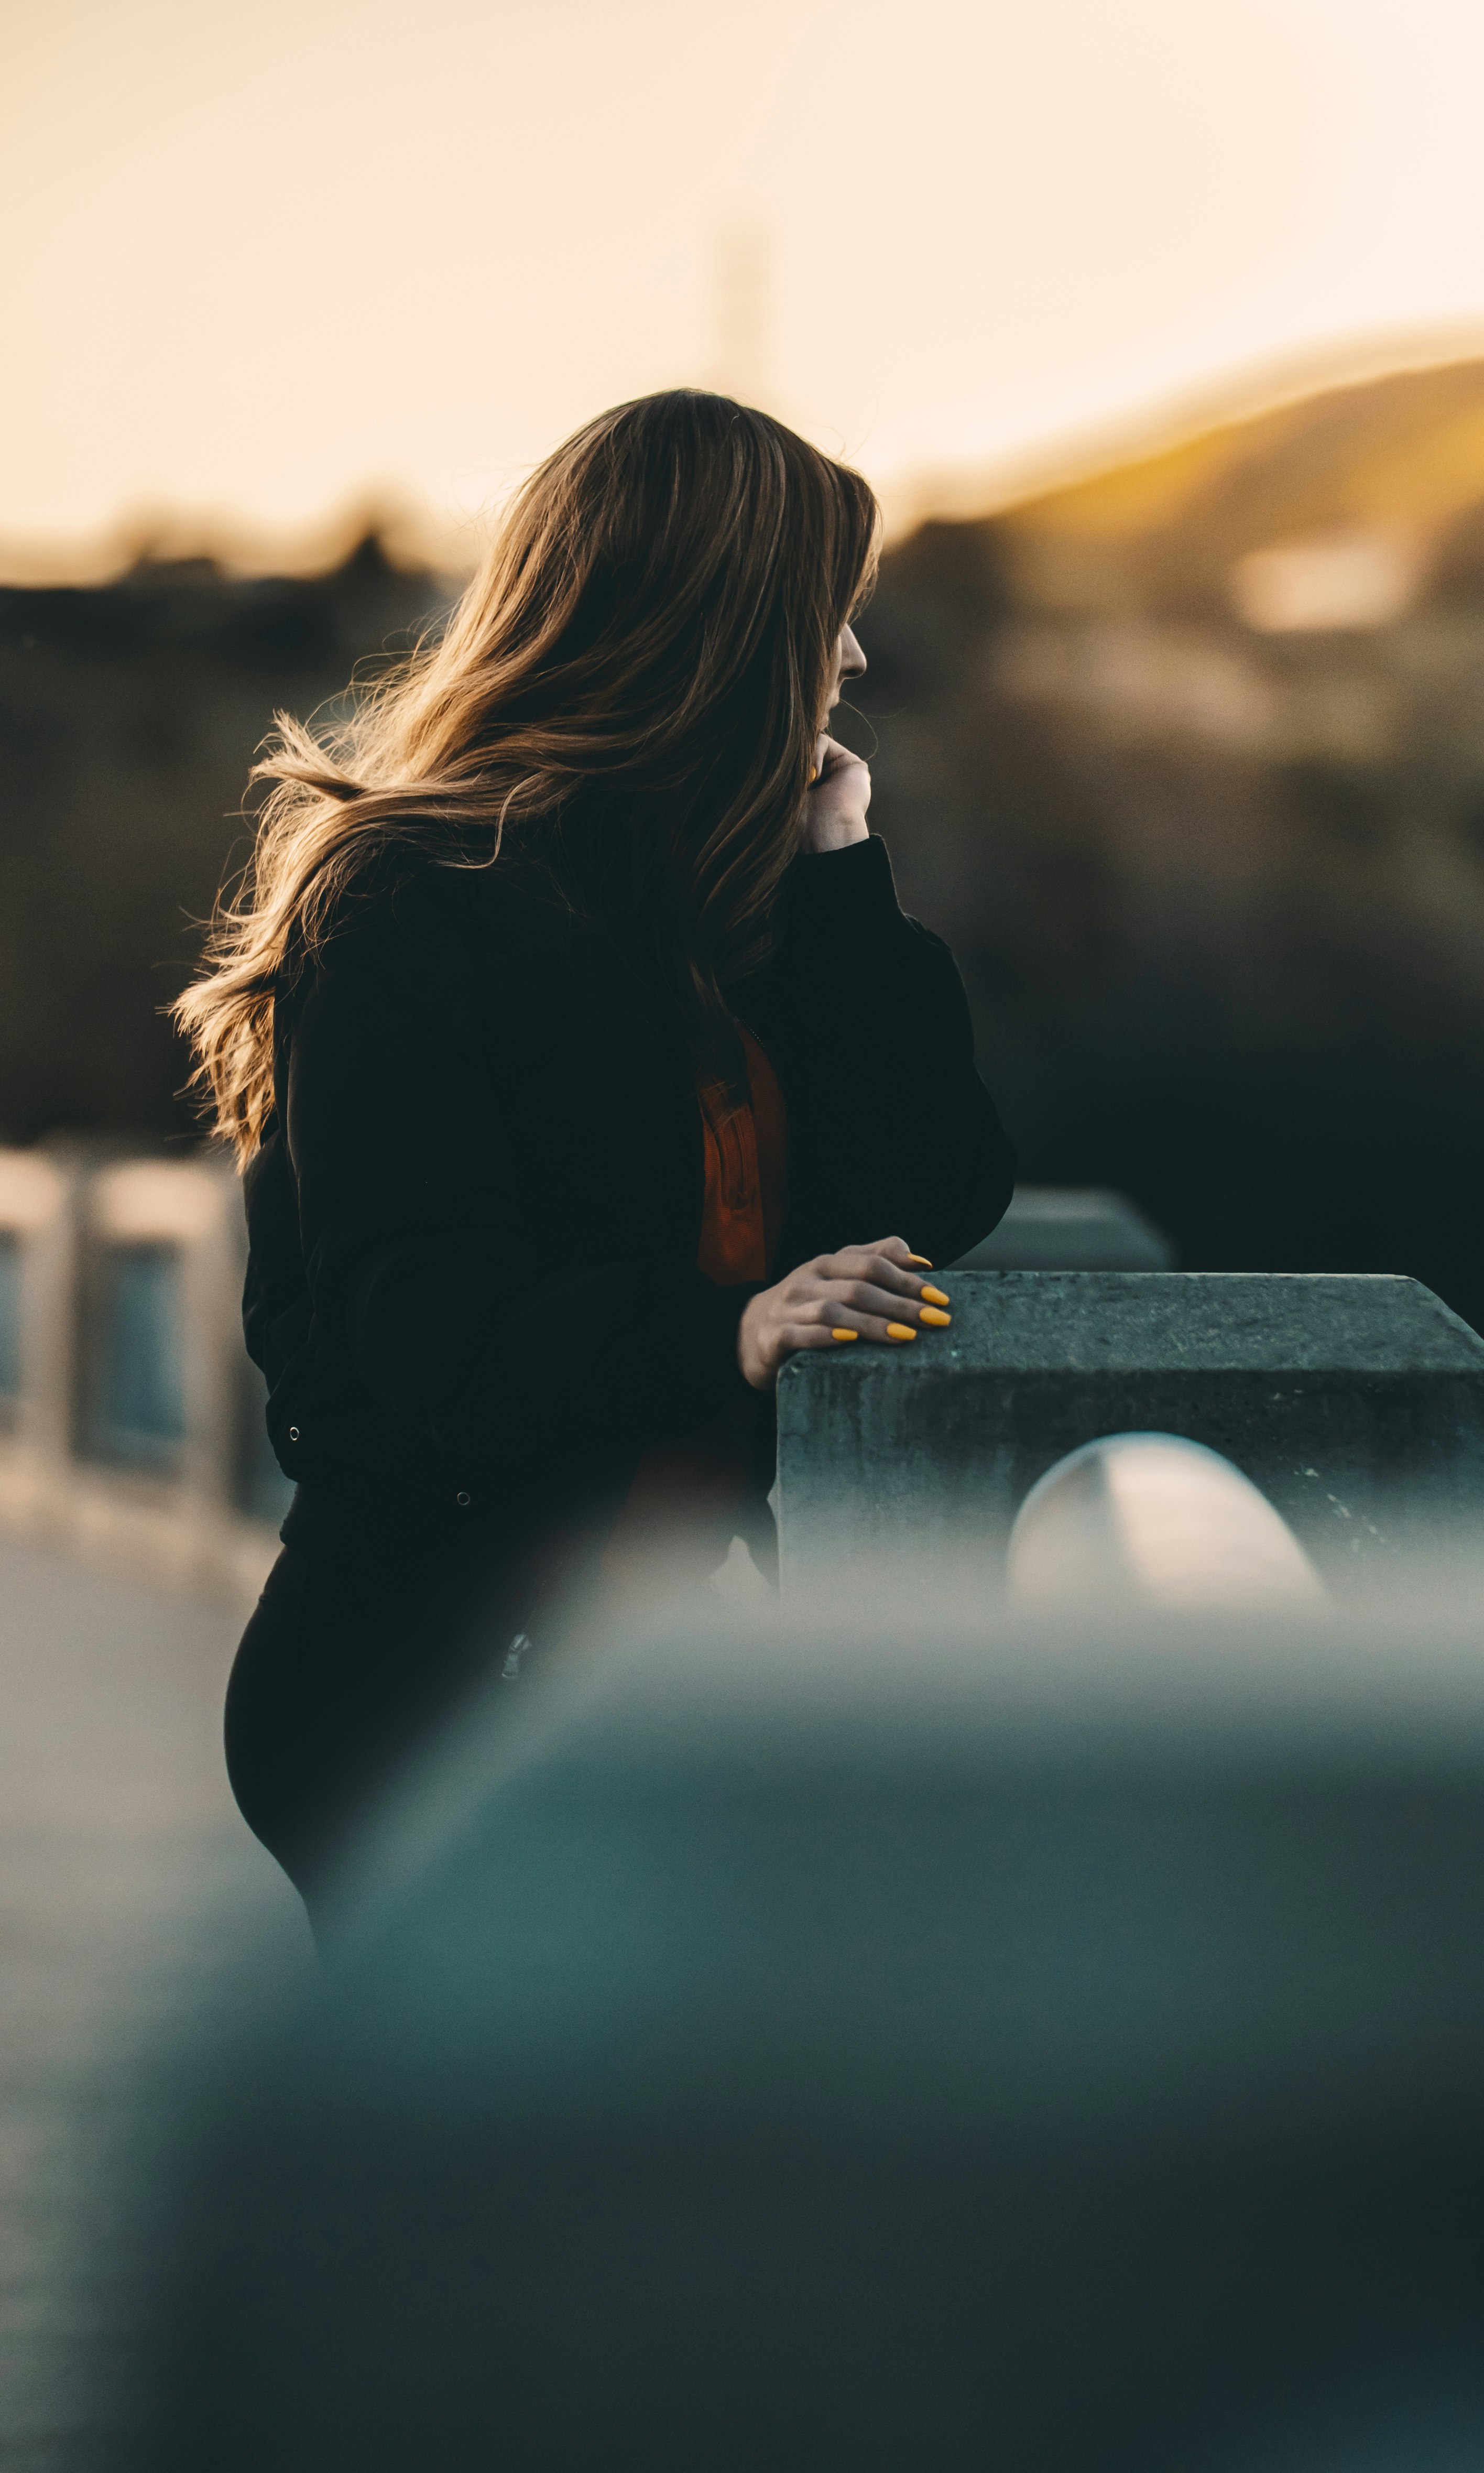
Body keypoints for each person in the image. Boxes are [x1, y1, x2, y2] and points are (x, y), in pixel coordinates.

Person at [173, 390, 1015, 1919]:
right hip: (428, 1687)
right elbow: (406, 1310)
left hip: (640, 1675)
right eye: (829, 616)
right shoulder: (412, 897)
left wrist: (840, 874)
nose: (855, 661)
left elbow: (933, 1201)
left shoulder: (719, 906)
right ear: (723, 628)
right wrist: (729, 1330)